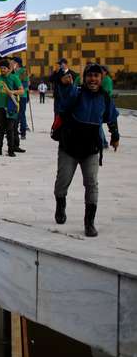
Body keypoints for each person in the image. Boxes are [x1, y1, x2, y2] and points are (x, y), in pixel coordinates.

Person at [53, 63, 120, 237]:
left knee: (91, 184)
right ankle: (60, 205)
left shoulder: (105, 98)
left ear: (101, 78)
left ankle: (89, 222)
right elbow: (62, 105)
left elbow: (111, 117)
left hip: (91, 149)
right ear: (84, 78)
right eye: (90, 76)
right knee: (62, 182)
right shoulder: (76, 93)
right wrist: (64, 86)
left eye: (96, 76)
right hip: (69, 147)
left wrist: (115, 135)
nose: (93, 79)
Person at [0, 60, 24, 156]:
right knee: (0, 129)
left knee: (10, 129)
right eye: (1, 68)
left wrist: (12, 92)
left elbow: (22, 91)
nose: (2, 70)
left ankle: (11, 150)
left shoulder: (14, 77)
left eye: (4, 68)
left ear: (8, 69)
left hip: (11, 107)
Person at [12, 57, 30, 139]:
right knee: (15, 114)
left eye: (13, 62)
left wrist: (18, 89)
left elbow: (26, 84)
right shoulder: (14, 71)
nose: (12, 63)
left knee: (21, 113)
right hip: (14, 95)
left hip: (22, 96)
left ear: (17, 63)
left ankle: (23, 132)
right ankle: (14, 131)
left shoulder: (23, 71)